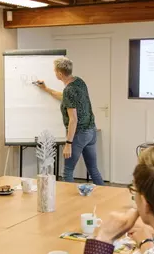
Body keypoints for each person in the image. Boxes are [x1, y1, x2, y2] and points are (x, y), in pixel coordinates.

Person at [36, 57, 104, 185]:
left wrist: (68, 144)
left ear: (60, 74)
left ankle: (71, 204)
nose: (55, 73)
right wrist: (46, 89)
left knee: (67, 172)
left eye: (55, 71)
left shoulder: (69, 90)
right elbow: (65, 97)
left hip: (79, 134)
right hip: (91, 132)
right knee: (93, 169)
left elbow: (73, 120)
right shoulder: (79, 82)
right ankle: (107, 200)